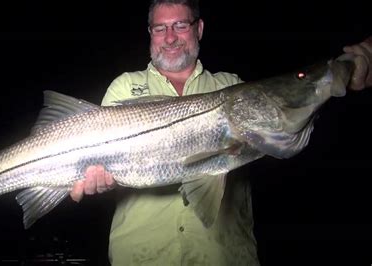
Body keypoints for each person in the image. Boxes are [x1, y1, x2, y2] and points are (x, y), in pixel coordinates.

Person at [70, 0, 372, 265]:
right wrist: (99, 180)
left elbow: (283, 140)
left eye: (180, 25)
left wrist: (324, 88)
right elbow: (101, 167)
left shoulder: (229, 84)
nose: (170, 37)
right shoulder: (124, 86)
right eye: (160, 28)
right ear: (150, 33)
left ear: (199, 29)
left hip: (223, 256)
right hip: (140, 256)